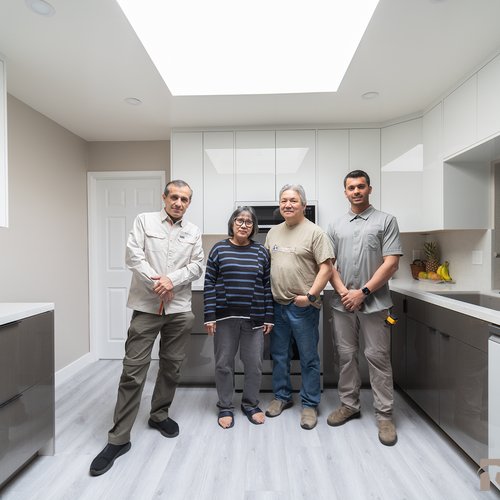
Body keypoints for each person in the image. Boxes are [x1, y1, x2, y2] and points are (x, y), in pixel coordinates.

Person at [90, 179, 204, 476]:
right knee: (133, 370)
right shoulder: (145, 221)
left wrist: (172, 280)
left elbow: (197, 265)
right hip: (146, 307)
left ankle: (159, 414)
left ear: (189, 203)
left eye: (185, 199)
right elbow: (133, 256)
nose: (179, 203)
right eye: (175, 197)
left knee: (171, 367)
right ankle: (118, 438)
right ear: (164, 197)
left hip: (178, 310)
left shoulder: (193, 231)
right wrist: (158, 282)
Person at [327, 169, 402, 446]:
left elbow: (391, 263)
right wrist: (346, 292)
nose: (356, 191)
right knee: (345, 356)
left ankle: (384, 416)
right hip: (342, 303)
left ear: (369, 189)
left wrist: (364, 292)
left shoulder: (386, 221)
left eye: (361, 186)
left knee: (378, 357)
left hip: (376, 304)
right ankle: (349, 404)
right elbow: (328, 265)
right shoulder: (335, 226)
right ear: (345, 192)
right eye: (351, 188)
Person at [264, 184, 333, 430]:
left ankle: (309, 404)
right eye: (283, 201)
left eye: (293, 200)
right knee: (279, 355)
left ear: (303, 205)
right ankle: (282, 396)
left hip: (303, 306)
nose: (288, 205)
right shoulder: (273, 232)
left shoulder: (315, 233)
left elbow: (326, 268)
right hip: (277, 305)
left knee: (308, 358)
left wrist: (310, 295)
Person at [204, 207, 274, 429]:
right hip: (225, 318)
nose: (244, 225)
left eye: (249, 222)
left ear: (254, 227)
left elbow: (266, 285)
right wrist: (210, 316)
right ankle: (225, 406)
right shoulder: (218, 249)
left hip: (254, 318)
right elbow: (209, 284)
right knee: (224, 363)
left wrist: (269, 317)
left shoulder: (261, 252)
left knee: (253, 364)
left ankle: (250, 404)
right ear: (232, 223)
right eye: (240, 220)